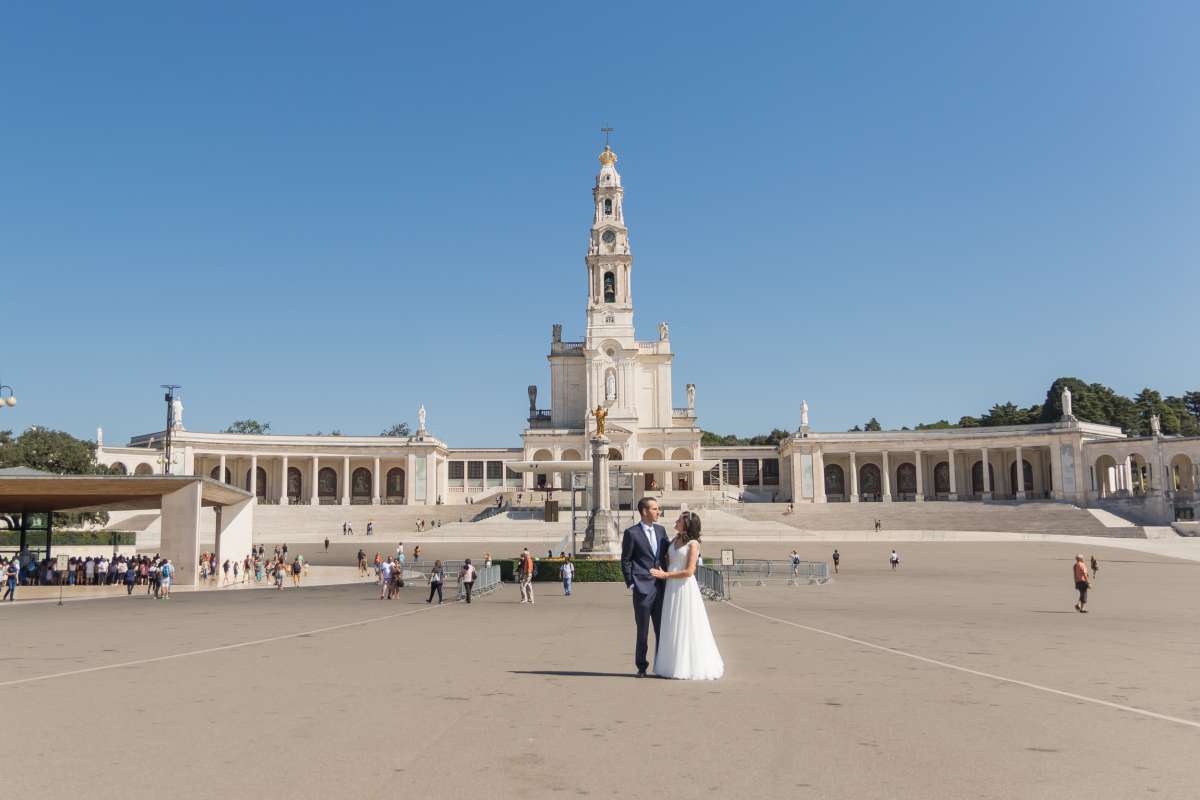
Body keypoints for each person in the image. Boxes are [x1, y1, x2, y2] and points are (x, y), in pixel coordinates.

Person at [649, 511, 724, 680]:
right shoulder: (674, 540)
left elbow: (690, 571)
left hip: (684, 587)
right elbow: (667, 560)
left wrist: (666, 575)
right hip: (671, 587)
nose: (676, 521)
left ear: (687, 524)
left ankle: (687, 664)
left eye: (679, 520)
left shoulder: (693, 544)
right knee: (671, 622)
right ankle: (671, 663)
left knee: (685, 622)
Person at [620, 497, 670, 678]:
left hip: (661, 587)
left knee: (661, 629)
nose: (658, 512)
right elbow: (625, 560)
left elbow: (667, 554)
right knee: (643, 630)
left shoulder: (661, 530)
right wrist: (631, 583)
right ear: (644, 511)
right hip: (642, 588)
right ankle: (641, 666)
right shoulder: (631, 533)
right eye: (655, 509)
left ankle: (662, 664)